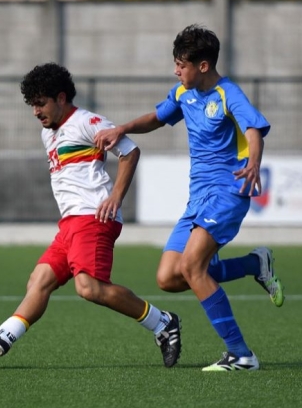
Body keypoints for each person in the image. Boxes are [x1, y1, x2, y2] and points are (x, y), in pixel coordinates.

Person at [0, 63, 182, 368]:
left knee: (89, 287)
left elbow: (130, 152)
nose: (35, 111)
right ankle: (2, 338)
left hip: (93, 218)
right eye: (32, 105)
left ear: (61, 98)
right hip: (70, 224)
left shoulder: (87, 122)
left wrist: (115, 197)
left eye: (40, 103)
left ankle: (162, 322)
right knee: (39, 280)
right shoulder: (47, 134)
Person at [94, 24, 284, 372]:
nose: (176, 70)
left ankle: (241, 355)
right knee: (168, 277)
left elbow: (253, 129)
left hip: (228, 192)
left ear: (203, 66)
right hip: (197, 198)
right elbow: (156, 118)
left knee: (193, 267)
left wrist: (254, 163)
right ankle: (253, 265)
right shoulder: (184, 93)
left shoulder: (228, 94)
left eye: (181, 65)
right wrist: (122, 128)